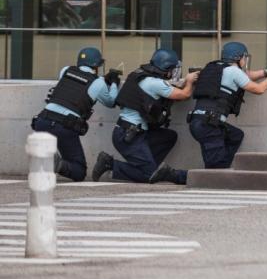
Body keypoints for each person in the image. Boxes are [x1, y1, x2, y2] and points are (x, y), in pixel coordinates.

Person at [91, 49, 198, 185]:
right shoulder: (155, 83)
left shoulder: (140, 76)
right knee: (148, 175)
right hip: (129, 136)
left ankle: (151, 167)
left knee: (169, 136)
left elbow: (162, 94)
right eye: (172, 68)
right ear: (166, 68)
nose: (173, 72)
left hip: (130, 132)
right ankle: (110, 164)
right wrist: (189, 81)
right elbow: (184, 95)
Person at [187, 42, 267, 171]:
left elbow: (245, 76)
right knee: (214, 172)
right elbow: (259, 89)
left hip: (198, 122)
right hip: (209, 126)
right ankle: (173, 175)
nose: (245, 60)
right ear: (238, 58)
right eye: (244, 57)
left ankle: (221, 167)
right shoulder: (233, 71)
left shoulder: (214, 68)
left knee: (235, 135)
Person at [31, 47, 120, 182]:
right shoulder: (98, 82)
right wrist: (113, 83)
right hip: (64, 126)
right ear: (96, 66)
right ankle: (57, 164)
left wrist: (102, 80)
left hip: (42, 121)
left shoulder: (65, 70)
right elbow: (111, 102)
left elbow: (77, 84)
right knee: (79, 171)